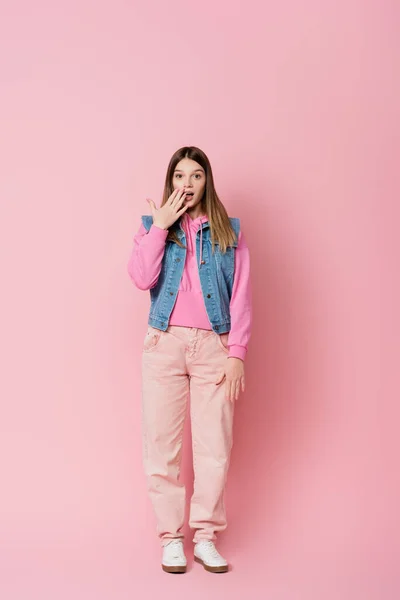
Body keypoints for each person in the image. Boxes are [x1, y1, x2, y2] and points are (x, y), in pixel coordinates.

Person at [127, 146, 252, 573]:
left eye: (196, 175)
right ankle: (170, 538)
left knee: (215, 445)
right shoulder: (153, 227)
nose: (187, 183)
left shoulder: (227, 233)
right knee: (161, 444)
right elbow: (142, 278)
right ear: (171, 181)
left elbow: (241, 296)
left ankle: (205, 537)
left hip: (213, 347)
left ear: (206, 181)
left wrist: (236, 352)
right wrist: (159, 227)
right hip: (163, 344)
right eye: (180, 175)